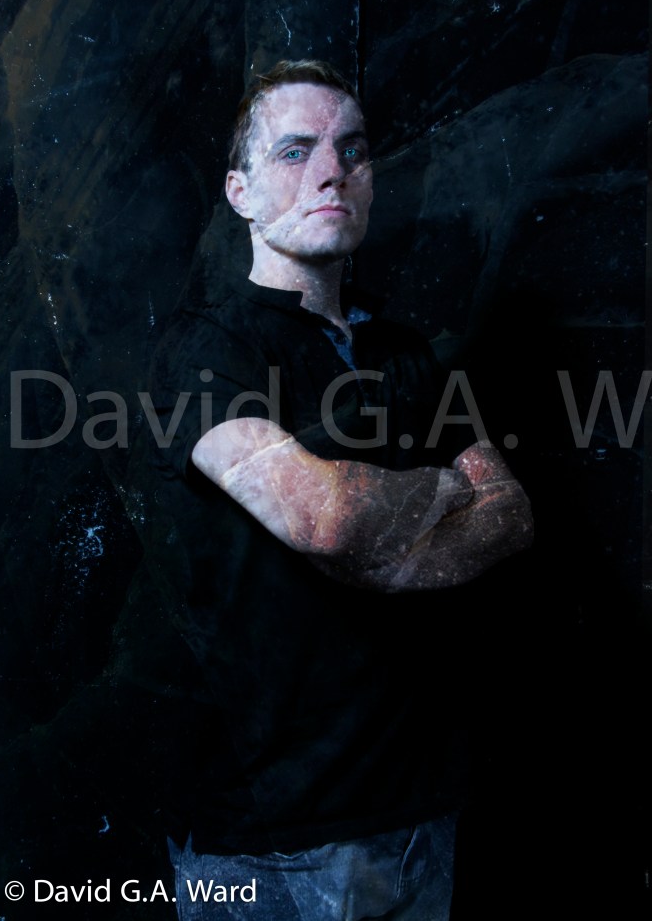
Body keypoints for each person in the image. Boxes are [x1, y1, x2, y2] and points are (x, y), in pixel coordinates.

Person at [149, 59, 533, 920]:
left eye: (351, 149)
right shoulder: (206, 348)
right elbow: (324, 518)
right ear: (241, 193)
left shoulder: (408, 349)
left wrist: (382, 555)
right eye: (296, 151)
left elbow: (510, 514)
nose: (332, 170)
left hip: (419, 811)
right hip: (269, 840)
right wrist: (444, 487)